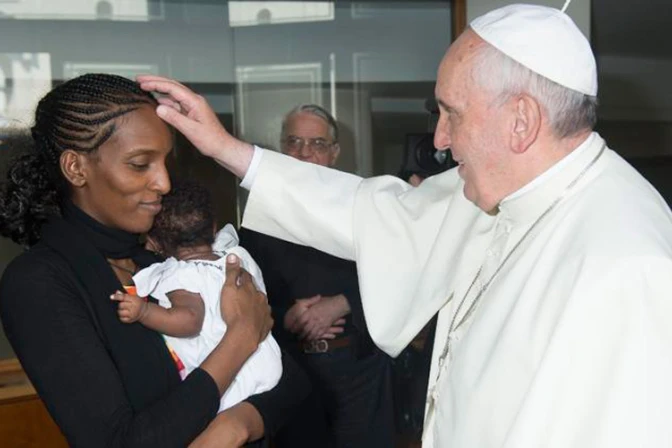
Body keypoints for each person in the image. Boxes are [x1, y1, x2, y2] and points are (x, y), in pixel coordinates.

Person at [138, 4, 672, 447]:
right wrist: (226, 149)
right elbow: (372, 212)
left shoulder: (629, 264)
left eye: (452, 113)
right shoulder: (502, 189)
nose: (439, 139)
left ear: (521, 120)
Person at [0, 73, 312, 448]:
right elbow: (120, 442)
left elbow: (292, 380)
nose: (164, 183)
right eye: (140, 164)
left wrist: (234, 427)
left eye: (165, 162)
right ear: (76, 168)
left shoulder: (160, 257)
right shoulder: (37, 282)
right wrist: (241, 337)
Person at [238, 104, 394, 447]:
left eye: (317, 144)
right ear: (282, 148)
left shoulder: (365, 206)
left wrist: (342, 303)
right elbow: (246, 296)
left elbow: (398, 275)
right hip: (292, 371)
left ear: (334, 153)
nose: (304, 153)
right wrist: (285, 317)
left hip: (359, 371)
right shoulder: (259, 219)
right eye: (294, 142)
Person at [111, 180, 283, 412]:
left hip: (229, 382)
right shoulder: (237, 256)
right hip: (266, 361)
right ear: (213, 228)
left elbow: (190, 320)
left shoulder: (180, 275)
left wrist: (144, 311)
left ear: (156, 243)